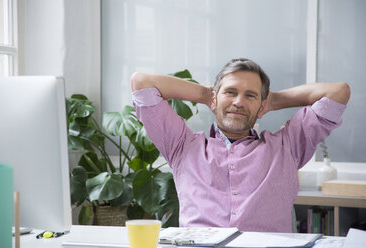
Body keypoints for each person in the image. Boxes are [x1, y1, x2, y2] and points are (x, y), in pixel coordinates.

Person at [130, 58, 350, 232]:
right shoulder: (182, 145)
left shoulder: (288, 146)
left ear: (262, 107)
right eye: (230, 92)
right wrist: (207, 95)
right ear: (215, 100)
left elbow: (338, 93)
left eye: (250, 96)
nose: (238, 102)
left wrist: (272, 101)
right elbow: (141, 83)